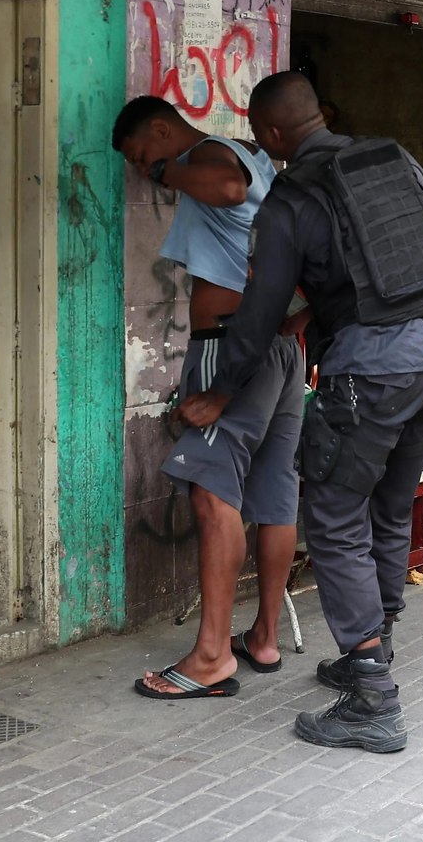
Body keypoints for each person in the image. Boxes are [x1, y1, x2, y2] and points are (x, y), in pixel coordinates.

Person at [174, 71, 423, 752]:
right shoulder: (392, 158)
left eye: (257, 133)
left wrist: (223, 389)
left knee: (334, 516)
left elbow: (260, 311)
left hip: (375, 371)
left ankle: (371, 696)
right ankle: (375, 646)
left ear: (272, 134)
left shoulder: (291, 198)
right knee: (391, 506)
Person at [112, 96, 304, 699]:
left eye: (145, 157)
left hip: (231, 346)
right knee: (275, 496)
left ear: (164, 131)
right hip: (279, 350)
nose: (146, 171)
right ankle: (264, 639)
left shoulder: (210, 156)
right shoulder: (259, 157)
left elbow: (221, 185)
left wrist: (172, 171)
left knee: (211, 495)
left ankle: (211, 657)